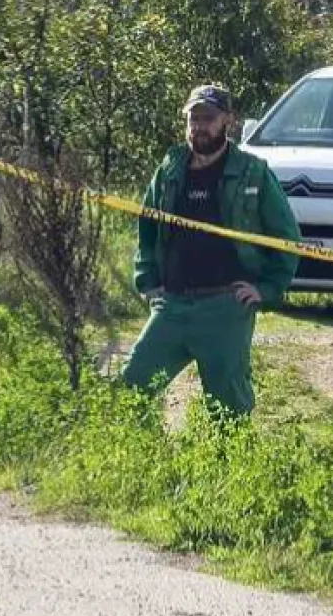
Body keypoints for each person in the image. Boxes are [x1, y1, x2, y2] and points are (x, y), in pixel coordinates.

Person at [122, 83, 301, 417]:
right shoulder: (170, 168)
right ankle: (145, 462)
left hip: (225, 307)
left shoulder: (253, 172)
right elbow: (147, 227)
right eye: (193, 118)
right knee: (133, 384)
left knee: (228, 409)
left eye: (208, 118)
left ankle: (229, 466)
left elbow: (286, 238)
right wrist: (148, 282)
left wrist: (267, 289)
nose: (199, 127)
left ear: (228, 122)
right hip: (172, 303)